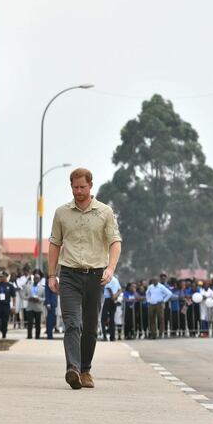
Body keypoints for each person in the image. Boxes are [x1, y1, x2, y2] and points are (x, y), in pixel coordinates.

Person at [47, 167, 122, 390]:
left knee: (90, 326)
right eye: (74, 187)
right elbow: (54, 244)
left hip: (96, 276)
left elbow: (115, 242)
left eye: (82, 187)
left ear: (91, 186)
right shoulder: (61, 213)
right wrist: (52, 275)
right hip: (69, 274)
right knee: (72, 323)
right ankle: (72, 368)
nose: (78, 191)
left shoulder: (105, 212)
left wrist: (110, 269)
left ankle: (85, 370)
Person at [24, 270, 46, 339]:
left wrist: (39, 299)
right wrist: (28, 298)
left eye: (38, 278)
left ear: (39, 279)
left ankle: (37, 336)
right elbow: (24, 296)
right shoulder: (28, 286)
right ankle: (29, 335)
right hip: (30, 307)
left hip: (38, 307)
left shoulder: (42, 288)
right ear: (33, 279)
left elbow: (44, 298)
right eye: (35, 278)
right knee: (29, 322)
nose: (36, 279)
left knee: (37, 323)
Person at [101, 273, 121, 341]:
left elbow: (108, 288)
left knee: (103, 319)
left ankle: (105, 337)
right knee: (112, 319)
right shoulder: (116, 279)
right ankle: (112, 337)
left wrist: (112, 296)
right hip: (114, 300)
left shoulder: (108, 279)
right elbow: (120, 290)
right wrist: (116, 296)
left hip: (108, 299)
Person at [0, 271, 16, 338]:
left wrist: (13, 306)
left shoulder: (10, 286)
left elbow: (13, 296)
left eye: (1, 276)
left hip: (6, 305)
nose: (0, 278)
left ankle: (4, 333)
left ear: (5, 277)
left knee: (5, 321)